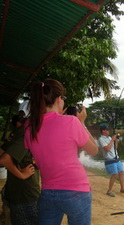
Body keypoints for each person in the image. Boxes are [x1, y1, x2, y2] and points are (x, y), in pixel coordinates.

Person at [24, 79, 98, 225]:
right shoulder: (70, 121)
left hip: (48, 192)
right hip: (77, 190)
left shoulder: (29, 126)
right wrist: (82, 123)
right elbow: (94, 150)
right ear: (58, 99)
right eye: (63, 98)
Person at [0, 113, 40, 225]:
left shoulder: (16, 134)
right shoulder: (26, 136)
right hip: (26, 194)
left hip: (15, 191)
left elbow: (2, 152)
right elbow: (4, 159)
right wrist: (22, 174)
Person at [98, 126, 124, 197]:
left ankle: (122, 188)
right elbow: (107, 149)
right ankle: (109, 191)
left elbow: (115, 147)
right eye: (107, 130)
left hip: (116, 158)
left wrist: (116, 140)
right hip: (110, 159)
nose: (109, 131)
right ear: (103, 131)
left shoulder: (109, 138)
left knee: (121, 172)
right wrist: (112, 140)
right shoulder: (101, 139)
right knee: (114, 174)